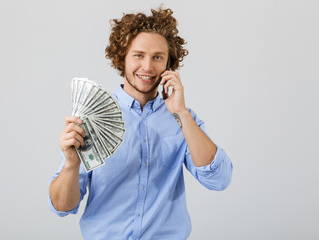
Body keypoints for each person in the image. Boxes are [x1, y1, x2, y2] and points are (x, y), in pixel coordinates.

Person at [48, 7, 233, 240]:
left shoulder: (183, 119)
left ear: (168, 64)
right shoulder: (92, 119)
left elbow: (219, 180)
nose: (147, 66)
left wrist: (181, 112)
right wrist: (71, 164)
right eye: (138, 55)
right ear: (122, 57)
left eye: (157, 57)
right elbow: (62, 207)